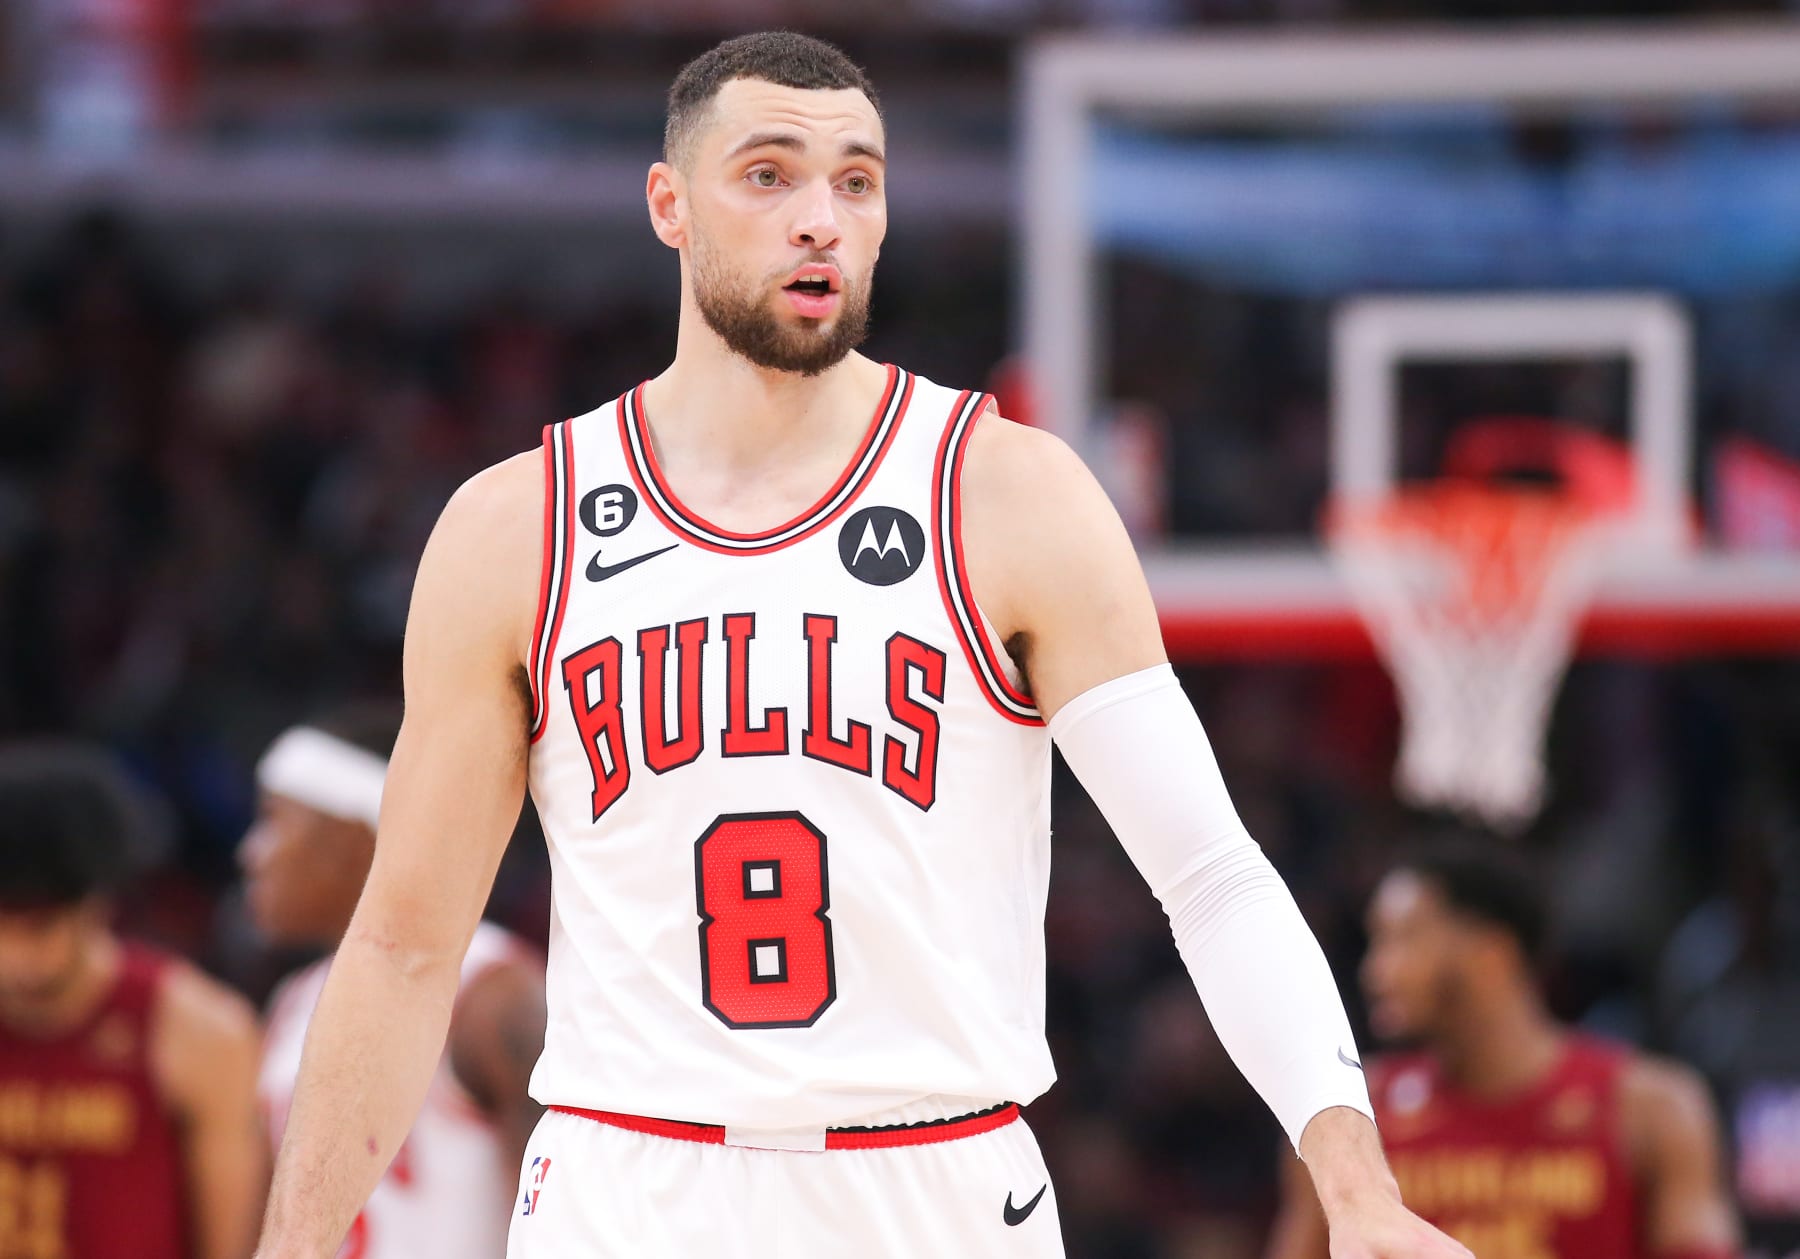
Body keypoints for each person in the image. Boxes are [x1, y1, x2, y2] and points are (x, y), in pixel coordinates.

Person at [254, 32, 1470, 1259]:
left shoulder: (1009, 493)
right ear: (668, 205)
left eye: (857, 180)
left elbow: (1211, 873)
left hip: (934, 1182)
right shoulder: (518, 523)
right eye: (770, 174)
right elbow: (407, 941)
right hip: (625, 1185)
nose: (820, 218)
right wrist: (294, 1243)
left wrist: (1354, 1184)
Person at [1265, 841, 1743, 1259]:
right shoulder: (1347, 1114)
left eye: (1404, 939)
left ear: (1492, 954)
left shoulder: (1652, 1107)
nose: (1376, 971)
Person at [242, 708, 546, 1259]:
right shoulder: (291, 1002)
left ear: (357, 837)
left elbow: (558, 1211)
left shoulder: (491, 988)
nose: (251, 854)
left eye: (273, 820)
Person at [0, 742, 266, 1259]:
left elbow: (231, 1246)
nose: (12, 952)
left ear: (95, 904)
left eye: (38, 925)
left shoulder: (198, 1028)